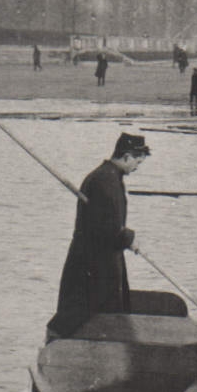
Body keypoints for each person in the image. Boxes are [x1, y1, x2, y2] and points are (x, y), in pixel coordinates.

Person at [47, 133, 150, 340]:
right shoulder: (106, 180)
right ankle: (57, 346)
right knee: (81, 311)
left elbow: (107, 222)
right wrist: (129, 238)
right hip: (94, 263)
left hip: (97, 260)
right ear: (127, 156)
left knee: (93, 311)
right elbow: (106, 227)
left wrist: (126, 236)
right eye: (137, 162)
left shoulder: (107, 176)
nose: (137, 167)